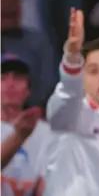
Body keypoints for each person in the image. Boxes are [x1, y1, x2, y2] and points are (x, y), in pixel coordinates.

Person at [44, 8, 99, 196]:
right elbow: (66, 98)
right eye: (92, 70)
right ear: (81, 78)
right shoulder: (71, 115)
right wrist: (73, 57)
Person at [1, 54, 52, 196]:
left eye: (17, 77)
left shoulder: (45, 132)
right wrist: (19, 136)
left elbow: (46, 185)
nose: (10, 84)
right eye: (3, 78)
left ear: (28, 91)